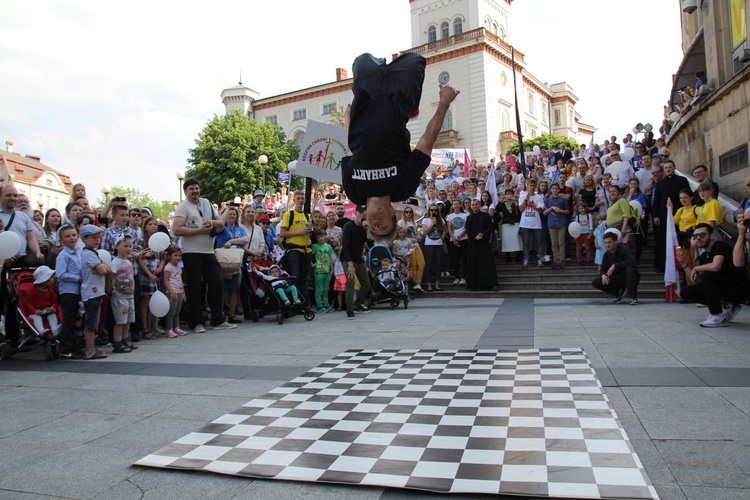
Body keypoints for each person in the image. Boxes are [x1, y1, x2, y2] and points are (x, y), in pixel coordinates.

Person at [342, 51, 460, 240]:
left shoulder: (354, 193)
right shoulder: (403, 188)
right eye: (384, 227)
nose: (377, 224)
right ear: (393, 214)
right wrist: (444, 104)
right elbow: (425, 143)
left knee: (361, 60)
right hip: (398, 99)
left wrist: (349, 121)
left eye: (374, 229)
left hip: (365, 98)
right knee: (416, 59)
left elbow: (351, 152)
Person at [171, 178, 237, 333]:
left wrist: (212, 223)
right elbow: (177, 229)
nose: (195, 191)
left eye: (197, 188)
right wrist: (199, 230)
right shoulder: (182, 207)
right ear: (186, 192)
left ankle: (218, 319)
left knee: (217, 283)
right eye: (191, 189)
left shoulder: (206, 203)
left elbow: (221, 223)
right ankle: (196, 322)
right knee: (194, 288)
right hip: (191, 252)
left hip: (208, 251)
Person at [679, 223, 749, 327]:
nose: (698, 238)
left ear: (711, 236)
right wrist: (684, 264)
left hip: (739, 288)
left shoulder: (720, 245)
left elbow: (716, 266)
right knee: (686, 292)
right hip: (723, 289)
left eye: (702, 235)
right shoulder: (703, 256)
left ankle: (717, 315)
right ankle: (726, 305)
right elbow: (697, 280)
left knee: (709, 274)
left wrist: (696, 268)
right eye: (695, 236)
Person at [653, 160, 690, 271]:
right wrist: (655, 215)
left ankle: (682, 264)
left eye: (670, 167)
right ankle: (663, 265)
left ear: (674, 167)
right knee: (663, 240)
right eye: (666, 167)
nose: (668, 169)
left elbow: (687, 195)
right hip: (664, 216)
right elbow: (657, 200)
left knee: (679, 239)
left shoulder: (682, 180)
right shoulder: (660, 183)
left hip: (680, 215)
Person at [80, 225, 109, 359]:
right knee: (91, 322)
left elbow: (105, 268)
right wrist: (101, 268)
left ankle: (91, 348)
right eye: (93, 237)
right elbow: (104, 270)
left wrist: (101, 268)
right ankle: (89, 350)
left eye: (98, 237)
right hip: (91, 292)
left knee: (94, 321)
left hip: (96, 291)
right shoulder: (87, 254)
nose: (97, 240)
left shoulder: (93, 253)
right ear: (84, 238)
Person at [215, 206, 248, 323]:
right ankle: (221, 314)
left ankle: (232, 315)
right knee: (222, 289)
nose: (232, 216)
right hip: (222, 261)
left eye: (234, 214)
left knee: (234, 289)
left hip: (236, 262)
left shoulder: (240, 229)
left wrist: (231, 241)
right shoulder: (221, 228)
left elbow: (245, 240)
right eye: (230, 214)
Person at [279, 190, 312, 303]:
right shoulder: (289, 214)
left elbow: (307, 233)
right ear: (294, 200)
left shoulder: (307, 216)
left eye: (302, 198)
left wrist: (308, 231)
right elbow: (283, 233)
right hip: (293, 249)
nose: (300, 201)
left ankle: (302, 303)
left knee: (304, 278)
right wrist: (300, 232)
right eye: (298, 198)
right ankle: (292, 301)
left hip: (306, 250)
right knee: (294, 276)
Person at [136, 217, 167, 338]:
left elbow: (164, 257)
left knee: (152, 302)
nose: (153, 226)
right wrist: (149, 274)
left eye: (155, 224)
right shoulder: (141, 241)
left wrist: (160, 268)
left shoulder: (159, 239)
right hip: (145, 274)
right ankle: (145, 329)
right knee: (145, 302)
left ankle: (151, 327)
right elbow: (139, 258)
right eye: (150, 224)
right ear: (145, 227)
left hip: (156, 273)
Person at [591, 230, 640, 305]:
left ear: (615, 241)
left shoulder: (623, 249)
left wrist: (615, 265)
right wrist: (603, 275)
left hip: (627, 276)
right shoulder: (606, 255)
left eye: (610, 242)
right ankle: (618, 292)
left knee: (630, 270)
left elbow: (632, 261)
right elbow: (602, 269)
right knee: (596, 281)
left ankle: (633, 296)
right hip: (616, 278)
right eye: (606, 243)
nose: (607, 245)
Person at [340, 205, 371, 319]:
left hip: (359, 258)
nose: (363, 214)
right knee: (350, 280)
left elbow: (370, 243)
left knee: (366, 284)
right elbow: (346, 247)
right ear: (356, 213)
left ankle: (357, 304)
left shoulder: (364, 229)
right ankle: (349, 308)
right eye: (361, 212)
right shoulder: (348, 227)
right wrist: (350, 265)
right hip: (348, 259)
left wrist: (368, 229)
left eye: (365, 212)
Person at [108, 234, 136, 352]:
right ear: (117, 246)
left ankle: (125, 339)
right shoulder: (116, 262)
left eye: (130, 246)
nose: (128, 249)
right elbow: (111, 276)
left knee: (128, 320)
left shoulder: (128, 262)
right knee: (120, 320)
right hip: (119, 296)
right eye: (125, 246)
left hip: (129, 295)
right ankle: (117, 342)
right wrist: (109, 289)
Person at [465, 199, 498, 291]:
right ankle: (476, 285)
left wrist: (482, 234)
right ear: (471, 206)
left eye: (476, 204)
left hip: (484, 243)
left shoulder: (486, 215)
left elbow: (490, 227)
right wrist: (475, 237)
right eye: (473, 205)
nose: (474, 206)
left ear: (479, 205)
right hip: (474, 244)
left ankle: (491, 284)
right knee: (475, 265)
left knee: (487, 264)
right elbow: (468, 231)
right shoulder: (469, 218)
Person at [20, 265, 61, 338]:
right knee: (37, 317)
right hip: (34, 313)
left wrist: (52, 308)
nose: (53, 279)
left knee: (52, 315)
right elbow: (27, 303)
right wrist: (35, 310)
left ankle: (55, 330)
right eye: (50, 278)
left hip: (47, 311)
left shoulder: (51, 290)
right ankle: (41, 331)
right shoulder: (32, 290)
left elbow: (55, 302)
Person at [519, 178, 544, 269]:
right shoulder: (522, 196)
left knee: (539, 242)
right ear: (527, 186)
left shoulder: (539, 197)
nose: (532, 187)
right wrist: (526, 201)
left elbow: (540, 210)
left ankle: (539, 259)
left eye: (533, 185)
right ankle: (526, 260)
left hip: (536, 223)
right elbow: (521, 210)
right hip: (525, 223)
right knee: (525, 243)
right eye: (530, 185)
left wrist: (533, 205)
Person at [543, 182, 570, 269]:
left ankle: (562, 260)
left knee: (561, 242)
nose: (554, 190)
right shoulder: (548, 200)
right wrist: (551, 208)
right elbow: (544, 212)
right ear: (551, 190)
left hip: (561, 223)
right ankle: (556, 259)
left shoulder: (562, 200)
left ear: (558, 190)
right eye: (553, 188)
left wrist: (560, 211)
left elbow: (567, 211)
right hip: (551, 224)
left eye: (556, 188)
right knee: (554, 243)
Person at [163, 245, 188, 337]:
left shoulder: (179, 268)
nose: (178, 257)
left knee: (177, 311)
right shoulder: (168, 267)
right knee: (171, 311)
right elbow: (166, 280)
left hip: (179, 291)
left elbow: (180, 281)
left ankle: (176, 327)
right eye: (175, 255)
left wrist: (183, 292)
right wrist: (171, 291)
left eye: (179, 255)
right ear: (169, 256)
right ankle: (169, 329)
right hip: (172, 292)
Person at [421, 203, 446, 292]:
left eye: (435, 210)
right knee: (429, 265)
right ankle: (429, 285)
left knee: (438, 265)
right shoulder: (425, 220)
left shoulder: (441, 220)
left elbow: (445, 230)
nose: (433, 212)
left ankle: (437, 284)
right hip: (429, 244)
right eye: (432, 210)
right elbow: (424, 231)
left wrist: (442, 238)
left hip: (438, 244)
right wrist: (432, 224)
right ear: (429, 211)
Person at [446, 199, 469, 285]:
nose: (456, 205)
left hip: (463, 239)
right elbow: (449, 228)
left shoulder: (465, 215)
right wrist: (453, 238)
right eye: (454, 204)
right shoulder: (450, 216)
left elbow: (466, 228)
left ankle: (464, 277)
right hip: (453, 240)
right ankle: (457, 277)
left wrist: (458, 237)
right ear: (452, 206)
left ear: (460, 205)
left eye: (457, 204)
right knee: (455, 259)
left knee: (464, 259)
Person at [311, 229, 334, 312]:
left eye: (321, 236)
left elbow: (331, 258)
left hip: (327, 270)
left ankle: (326, 304)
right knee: (319, 289)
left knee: (326, 289)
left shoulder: (329, 247)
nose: (320, 238)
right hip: (319, 270)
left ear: (325, 236)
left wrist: (332, 269)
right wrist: (312, 264)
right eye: (318, 237)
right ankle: (319, 305)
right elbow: (310, 254)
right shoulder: (315, 246)